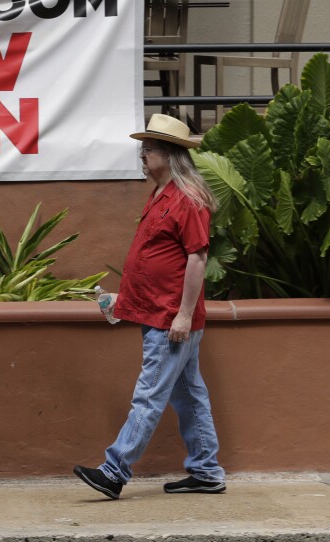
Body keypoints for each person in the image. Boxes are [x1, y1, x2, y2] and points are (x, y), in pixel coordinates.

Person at [73, 114, 226, 499]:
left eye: (149, 149)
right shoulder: (163, 194)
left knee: (149, 394)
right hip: (160, 313)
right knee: (189, 394)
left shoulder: (187, 200)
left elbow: (196, 260)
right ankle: (207, 471)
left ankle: (114, 471)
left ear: (170, 154)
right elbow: (156, 261)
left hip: (170, 319)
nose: (142, 155)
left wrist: (185, 315)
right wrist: (123, 300)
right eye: (143, 148)